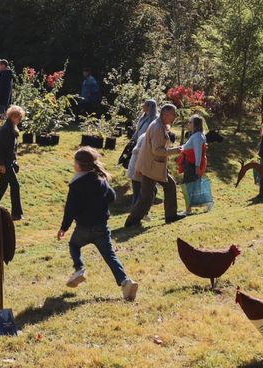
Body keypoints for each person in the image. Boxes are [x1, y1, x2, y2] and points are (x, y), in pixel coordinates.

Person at [57, 147, 139, 301]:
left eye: (75, 162)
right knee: (110, 256)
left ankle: (79, 269)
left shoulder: (75, 184)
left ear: (80, 165)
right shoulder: (100, 180)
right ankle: (125, 282)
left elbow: (70, 209)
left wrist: (64, 227)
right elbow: (112, 197)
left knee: (74, 245)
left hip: (83, 227)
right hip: (101, 227)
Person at [125, 103, 186, 226]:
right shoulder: (157, 127)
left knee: (169, 186)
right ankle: (131, 221)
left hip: (154, 166)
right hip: (151, 167)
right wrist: (176, 150)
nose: (175, 117)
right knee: (146, 198)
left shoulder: (160, 125)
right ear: (165, 114)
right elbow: (157, 150)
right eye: (173, 114)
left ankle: (170, 216)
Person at [177, 115, 208, 214]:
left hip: (192, 164)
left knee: (188, 187)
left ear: (195, 125)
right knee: (192, 186)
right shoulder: (197, 135)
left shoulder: (197, 136)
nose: (189, 124)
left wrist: (197, 167)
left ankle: (188, 210)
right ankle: (201, 206)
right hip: (191, 164)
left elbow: (198, 152)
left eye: (190, 122)